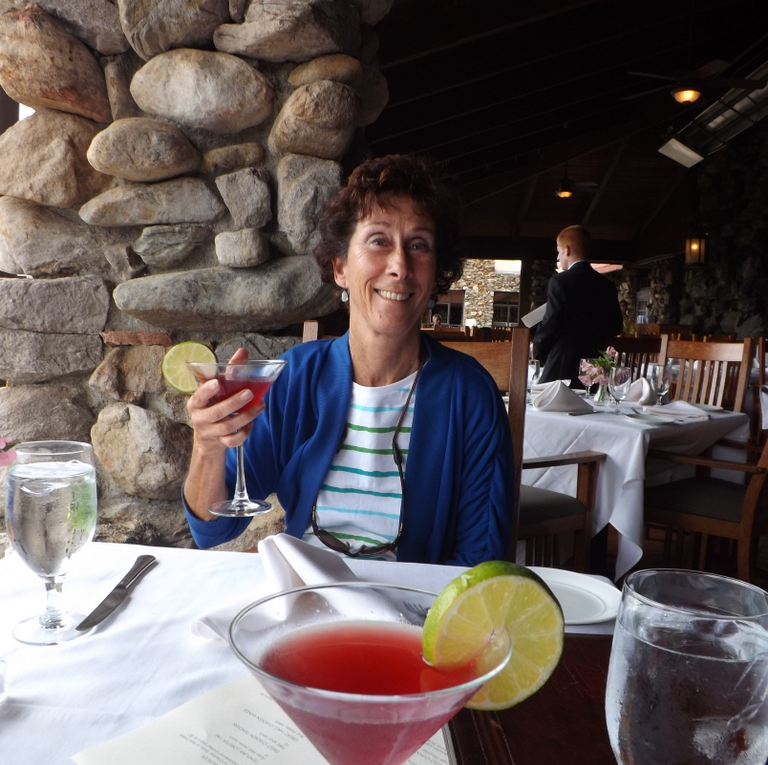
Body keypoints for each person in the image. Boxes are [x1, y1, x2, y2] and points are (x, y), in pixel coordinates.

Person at [183, 154, 515, 566]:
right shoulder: (297, 376)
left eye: (418, 245)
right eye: (378, 241)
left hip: (414, 600)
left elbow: (480, 559)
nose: (400, 266)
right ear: (339, 267)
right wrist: (208, 445)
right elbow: (212, 528)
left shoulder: (470, 395)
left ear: (435, 274)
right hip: (305, 591)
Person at [532, 224, 623, 384]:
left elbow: (551, 324)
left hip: (562, 367)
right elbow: (616, 327)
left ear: (567, 249)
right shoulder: (607, 285)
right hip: (595, 370)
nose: (558, 257)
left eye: (559, 252)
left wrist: (537, 349)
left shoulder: (559, 282)